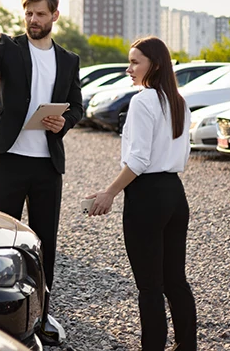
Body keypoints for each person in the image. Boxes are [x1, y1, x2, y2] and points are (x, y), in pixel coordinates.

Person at [0, 0, 83, 346]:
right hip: (8, 159)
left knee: (44, 243)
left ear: (54, 16)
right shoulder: (8, 47)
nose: (33, 20)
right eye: (29, 14)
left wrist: (65, 121)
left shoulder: (69, 60)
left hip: (46, 165)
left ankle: (41, 317)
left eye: (41, 14)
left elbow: (77, 105)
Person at [86, 36, 197, 351]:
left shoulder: (142, 101)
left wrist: (109, 192)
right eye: (129, 61)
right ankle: (187, 345)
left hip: (147, 196)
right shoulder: (179, 100)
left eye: (135, 62)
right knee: (175, 280)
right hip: (175, 193)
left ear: (155, 64)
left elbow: (138, 161)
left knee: (149, 286)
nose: (128, 68)